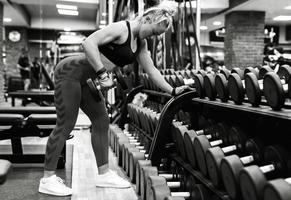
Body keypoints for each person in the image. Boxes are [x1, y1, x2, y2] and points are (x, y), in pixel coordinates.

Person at [39, 0, 189, 196]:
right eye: (153, 31)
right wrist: (102, 74)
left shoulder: (141, 44)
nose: (152, 37)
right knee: (66, 124)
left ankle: (103, 174)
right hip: (70, 72)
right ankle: (47, 178)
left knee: (101, 120)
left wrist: (173, 90)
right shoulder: (121, 28)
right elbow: (88, 43)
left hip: (86, 79)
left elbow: (152, 70)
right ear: (147, 19)